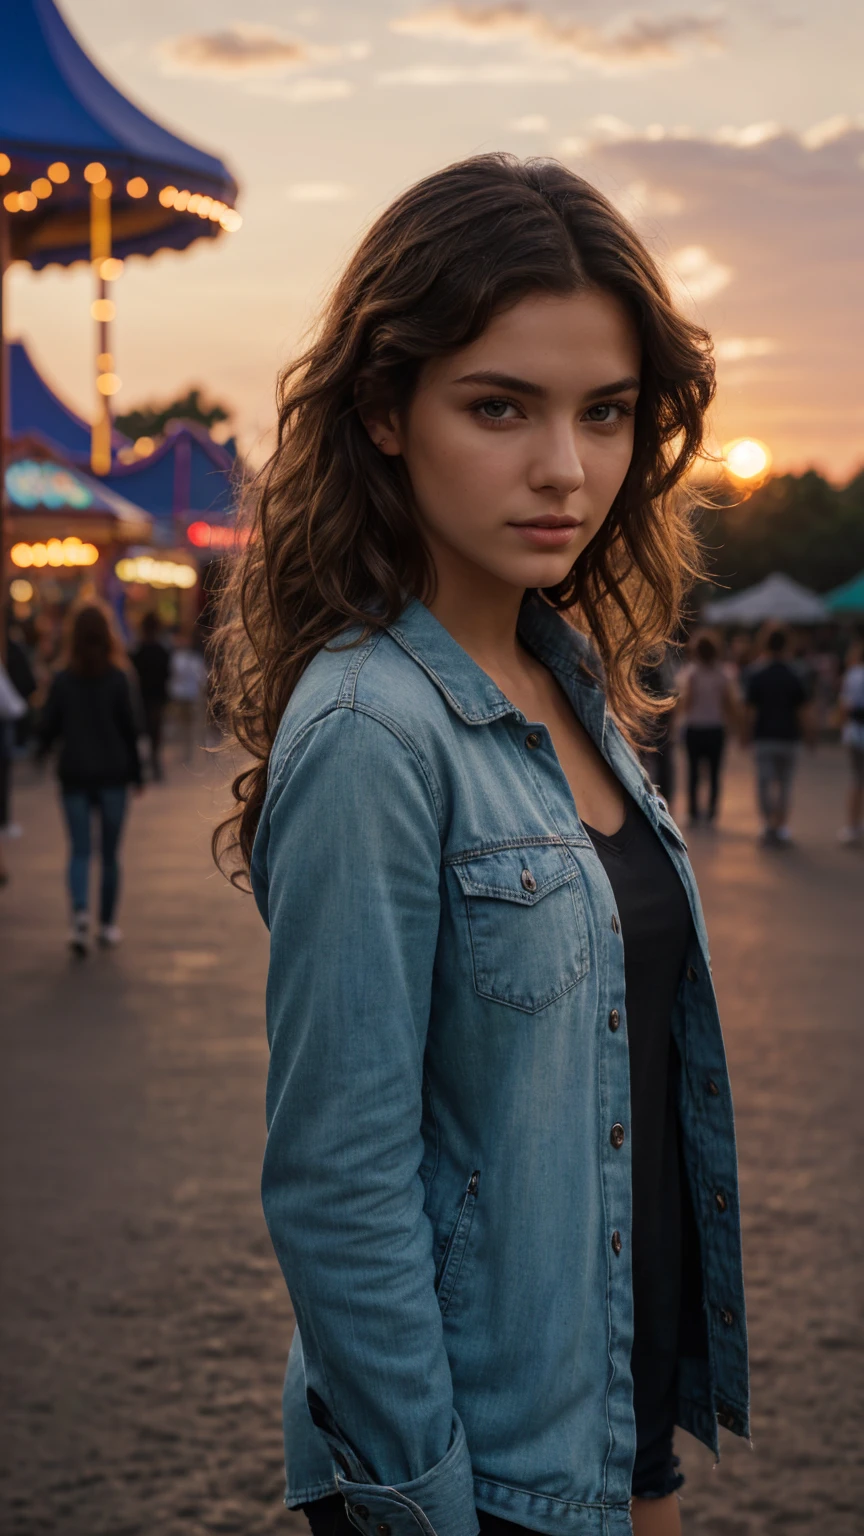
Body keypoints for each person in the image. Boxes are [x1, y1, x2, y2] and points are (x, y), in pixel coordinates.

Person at [214, 155, 749, 1536]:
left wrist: (644, 1466)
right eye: (500, 406)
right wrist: (426, 1501)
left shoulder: (573, 682)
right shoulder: (371, 732)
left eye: (607, 413)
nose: (565, 468)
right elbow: (339, 1185)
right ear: (385, 411)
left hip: (602, 1422)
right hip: (470, 1472)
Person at [37, 605, 142, 954]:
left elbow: (48, 726)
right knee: (110, 855)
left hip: (75, 774)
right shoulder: (118, 677)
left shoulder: (63, 679)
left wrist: (40, 752)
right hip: (113, 774)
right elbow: (131, 729)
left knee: (80, 850)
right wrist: (138, 773)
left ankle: (80, 916)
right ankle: (108, 924)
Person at [743, 627, 811, 846]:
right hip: (789, 737)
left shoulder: (757, 674)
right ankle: (781, 826)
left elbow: (751, 711)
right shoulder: (795, 675)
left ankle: (767, 824)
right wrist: (810, 734)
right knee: (784, 784)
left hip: (764, 736)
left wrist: (746, 734)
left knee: (764, 782)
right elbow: (802, 711)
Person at [677, 634, 738, 827]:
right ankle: (711, 811)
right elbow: (729, 703)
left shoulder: (691, 673)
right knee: (714, 773)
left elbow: (687, 702)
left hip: (695, 727)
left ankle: (693, 811)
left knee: (693, 772)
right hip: (715, 728)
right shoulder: (723, 673)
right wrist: (735, 725)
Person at [131, 612, 171, 781]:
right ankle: (154, 762)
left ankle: (144, 763)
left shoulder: (137, 651)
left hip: (143, 697)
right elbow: (167, 674)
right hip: (157, 697)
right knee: (154, 732)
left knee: (142, 732)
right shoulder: (162, 651)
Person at [837, 636, 864, 846]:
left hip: (856, 734)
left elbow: (844, 708)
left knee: (857, 781)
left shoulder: (854, 675)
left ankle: (853, 826)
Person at [168, 629, 208, 766]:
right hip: (180, 696)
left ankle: (191, 751)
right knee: (182, 725)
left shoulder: (194, 658)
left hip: (191, 695)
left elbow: (202, 678)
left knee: (192, 725)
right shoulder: (176, 658)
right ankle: (184, 751)